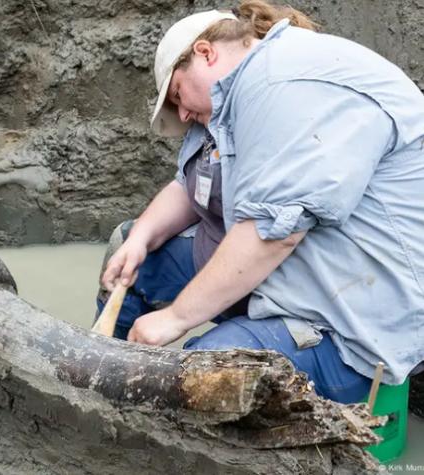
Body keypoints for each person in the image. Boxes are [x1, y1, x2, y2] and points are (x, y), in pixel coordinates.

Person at [97, 0, 424, 403]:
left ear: (205, 52)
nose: (181, 115)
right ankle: (102, 390)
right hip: (283, 279)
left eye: (178, 94)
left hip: (347, 323)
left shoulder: (284, 83)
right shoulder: (231, 101)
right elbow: (189, 186)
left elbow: (274, 234)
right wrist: (139, 239)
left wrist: (174, 319)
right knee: (135, 263)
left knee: (206, 374)